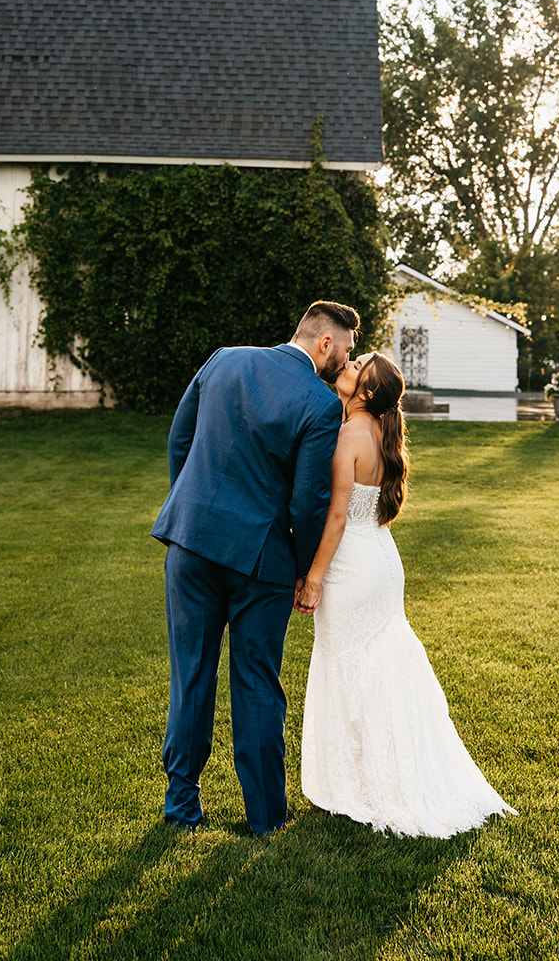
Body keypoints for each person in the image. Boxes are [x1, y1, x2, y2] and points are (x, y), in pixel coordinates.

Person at [151, 300, 360, 836]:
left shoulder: (224, 360)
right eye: (347, 351)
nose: (346, 363)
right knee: (257, 684)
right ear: (325, 344)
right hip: (262, 561)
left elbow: (180, 440)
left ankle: (181, 809)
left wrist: (192, 511)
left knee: (191, 675)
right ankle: (266, 817)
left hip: (190, 546)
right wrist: (305, 567)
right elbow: (307, 502)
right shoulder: (319, 403)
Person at [298, 351, 516, 837]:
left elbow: (336, 516)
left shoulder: (351, 433)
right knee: (377, 666)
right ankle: (382, 770)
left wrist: (313, 577)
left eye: (357, 367)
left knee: (349, 667)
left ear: (367, 393)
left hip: (352, 567)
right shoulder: (379, 431)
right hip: (380, 560)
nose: (348, 366)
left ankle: (365, 780)